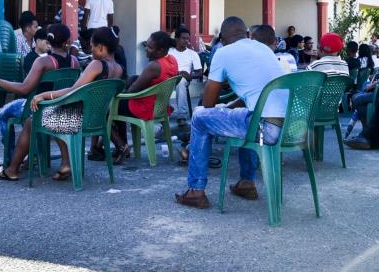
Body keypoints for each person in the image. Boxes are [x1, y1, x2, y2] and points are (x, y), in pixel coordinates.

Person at [175, 17, 287, 209]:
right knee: (246, 117)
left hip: (264, 131)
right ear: (247, 34)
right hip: (287, 129)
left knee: (199, 118)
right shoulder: (263, 49)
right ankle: (246, 183)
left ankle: (196, 190)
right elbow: (256, 96)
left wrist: (218, 104)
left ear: (223, 40)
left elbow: (208, 104)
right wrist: (228, 108)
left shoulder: (223, 52)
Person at [0, 26, 125, 181]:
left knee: (32, 121)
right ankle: (65, 164)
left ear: (101, 47)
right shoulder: (118, 69)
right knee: (56, 112)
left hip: (77, 120)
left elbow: (73, 90)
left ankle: (12, 170)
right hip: (95, 120)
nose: (90, 50)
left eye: (92, 46)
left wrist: (44, 95)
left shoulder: (96, 65)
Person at [0, 24, 80, 179]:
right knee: (32, 120)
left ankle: (12, 166)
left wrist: (0, 82)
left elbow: (24, 89)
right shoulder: (75, 62)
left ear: (49, 40)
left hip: (43, 109)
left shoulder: (43, 62)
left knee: (3, 115)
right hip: (66, 110)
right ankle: (62, 162)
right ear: (67, 41)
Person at [109, 31, 178, 164]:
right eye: (146, 45)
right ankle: (123, 145)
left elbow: (134, 89)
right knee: (123, 97)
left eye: (150, 47)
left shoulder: (154, 66)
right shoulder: (172, 61)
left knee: (109, 108)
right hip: (160, 106)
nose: (146, 49)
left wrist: (120, 94)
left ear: (161, 50)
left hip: (144, 108)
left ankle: (121, 146)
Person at [169, 26, 203, 127]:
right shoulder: (169, 52)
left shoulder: (192, 54)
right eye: (183, 38)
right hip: (170, 77)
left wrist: (189, 76)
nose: (186, 41)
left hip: (184, 79)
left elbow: (199, 72)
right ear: (177, 39)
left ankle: (181, 116)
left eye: (187, 38)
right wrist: (178, 72)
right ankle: (164, 110)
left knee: (181, 82)